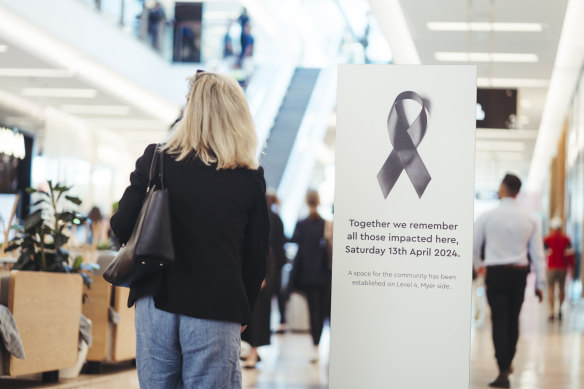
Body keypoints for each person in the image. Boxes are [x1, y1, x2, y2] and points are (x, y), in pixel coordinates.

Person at [110, 71, 270, 389]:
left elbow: (121, 226)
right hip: (216, 307)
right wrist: (244, 310)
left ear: (191, 111)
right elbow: (256, 256)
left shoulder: (155, 160)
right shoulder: (248, 176)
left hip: (155, 301)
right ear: (236, 115)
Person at [473, 173, 545, 389]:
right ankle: (507, 362)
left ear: (502, 188)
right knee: (513, 319)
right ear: (518, 192)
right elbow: (538, 254)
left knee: (499, 320)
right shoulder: (530, 218)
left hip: (495, 274)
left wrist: (479, 267)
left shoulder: (487, 216)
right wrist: (540, 285)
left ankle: (503, 368)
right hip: (518, 275)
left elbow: (475, 247)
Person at [240, 192, 286, 369]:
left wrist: (265, 275)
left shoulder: (266, 217)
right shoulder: (265, 215)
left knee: (257, 315)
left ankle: (253, 352)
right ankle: (251, 352)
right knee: (252, 314)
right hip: (257, 272)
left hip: (262, 272)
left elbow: (267, 248)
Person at [291, 190, 331, 363]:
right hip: (323, 275)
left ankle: (315, 345)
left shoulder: (302, 225)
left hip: (307, 275)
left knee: (313, 310)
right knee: (321, 311)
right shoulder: (325, 225)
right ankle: (317, 343)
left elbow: (296, 247)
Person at [543, 216, 574, 320]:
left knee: (551, 289)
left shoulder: (547, 239)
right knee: (561, 288)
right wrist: (572, 268)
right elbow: (570, 255)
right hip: (562, 267)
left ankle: (552, 312)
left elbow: (544, 253)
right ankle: (560, 309)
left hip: (551, 267)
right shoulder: (566, 239)